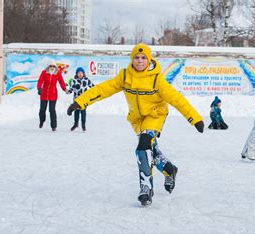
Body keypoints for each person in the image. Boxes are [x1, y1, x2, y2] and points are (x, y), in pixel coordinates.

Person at [67, 43, 204, 206]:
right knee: (150, 149)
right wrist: (79, 102)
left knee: (143, 146)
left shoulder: (156, 79)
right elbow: (104, 89)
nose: (140, 61)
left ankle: (146, 187)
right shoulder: (125, 76)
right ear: (132, 59)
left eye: (143, 58)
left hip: (155, 115)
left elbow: (177, 100)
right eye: (136, 58)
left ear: (149, 59)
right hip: (137, 119)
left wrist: (194, 118)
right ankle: (170, 169)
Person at [37, 59, 68, 132]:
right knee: (42, 110)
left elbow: (61, 82)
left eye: (53, 66)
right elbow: (40, 81)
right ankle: (42, 121)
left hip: (53, 94)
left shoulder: (58, 73)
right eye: (50, 66)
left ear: (55, 67)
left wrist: (65, 89)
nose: (52, 67)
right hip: (44, 93)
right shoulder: (44, 72)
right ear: (48, 66)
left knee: (52, 110)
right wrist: (39, 88)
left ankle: (54, 126)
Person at [68, 67, 94, 132]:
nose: (80, 74)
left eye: (81, 73)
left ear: (83, 73)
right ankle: (76, 124)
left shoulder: (86, 80)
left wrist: (96, 90)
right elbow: (71, 89)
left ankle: (83, 125)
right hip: (76, 100)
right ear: (76, 74)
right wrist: (68, 91)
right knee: (76, 112)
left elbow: (92, 87)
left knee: (83, 112)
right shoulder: (74, 80)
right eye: (78, 73)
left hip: (84, 99)